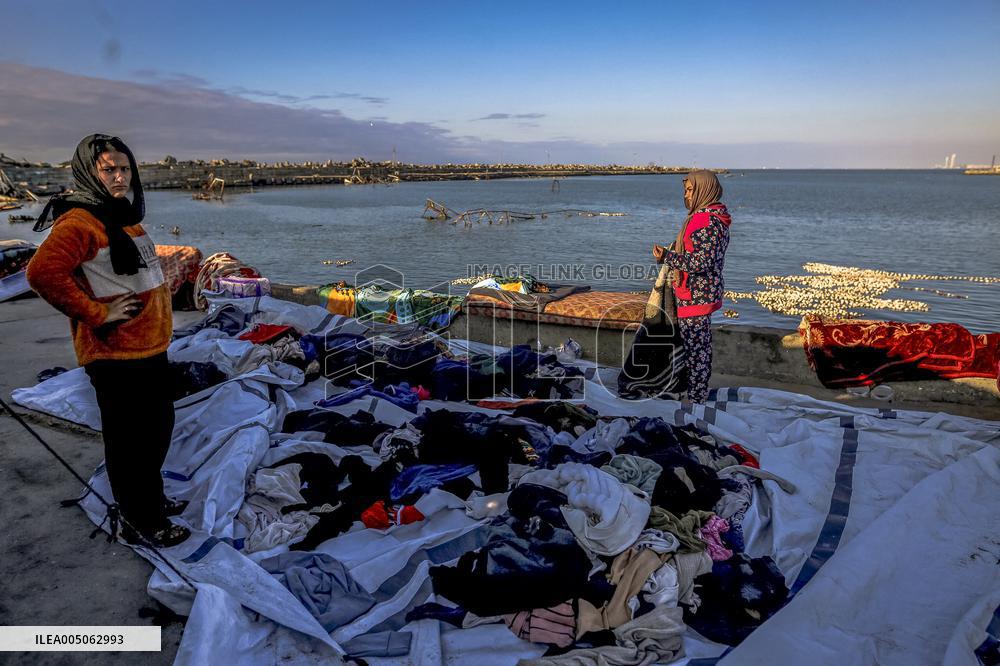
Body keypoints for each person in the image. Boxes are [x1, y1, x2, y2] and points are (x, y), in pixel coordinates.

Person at [27, 134, 190, 547]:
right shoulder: (80, 222)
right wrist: (98, 314)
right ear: (89, 172)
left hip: (148, 347)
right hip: (116, 353)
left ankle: (147, 501)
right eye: (109, 169)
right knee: (130, 441)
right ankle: (142, 521)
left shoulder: (119, 216)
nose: (120, 176)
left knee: (156, 430)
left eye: (124, 168)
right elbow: (42, 273)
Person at [652, 170, 732, 403]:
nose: (686, 195)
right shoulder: (716, 216)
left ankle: (697, 398)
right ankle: (695, 391)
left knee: (697, 349)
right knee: (698, 346)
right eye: (685, 190)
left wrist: (667, 257)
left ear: (704, 190)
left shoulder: (704, 221)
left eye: (690, 190)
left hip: (696, 295)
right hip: (702, 291)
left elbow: (701, 261)